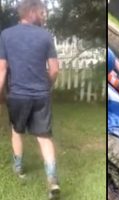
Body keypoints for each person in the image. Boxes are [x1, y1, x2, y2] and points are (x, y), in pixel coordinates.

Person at [0, 0, 60, 199]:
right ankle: (52, 180)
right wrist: (46, 86)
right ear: (32, 11)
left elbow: (2, 69)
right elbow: (54, 69)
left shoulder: (6, 35)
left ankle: (18, 168)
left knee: (17, 131)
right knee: (44, 137)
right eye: (41, 12)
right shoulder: (46, 36)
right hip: (41, 95)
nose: (43, 16)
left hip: (17, 95)